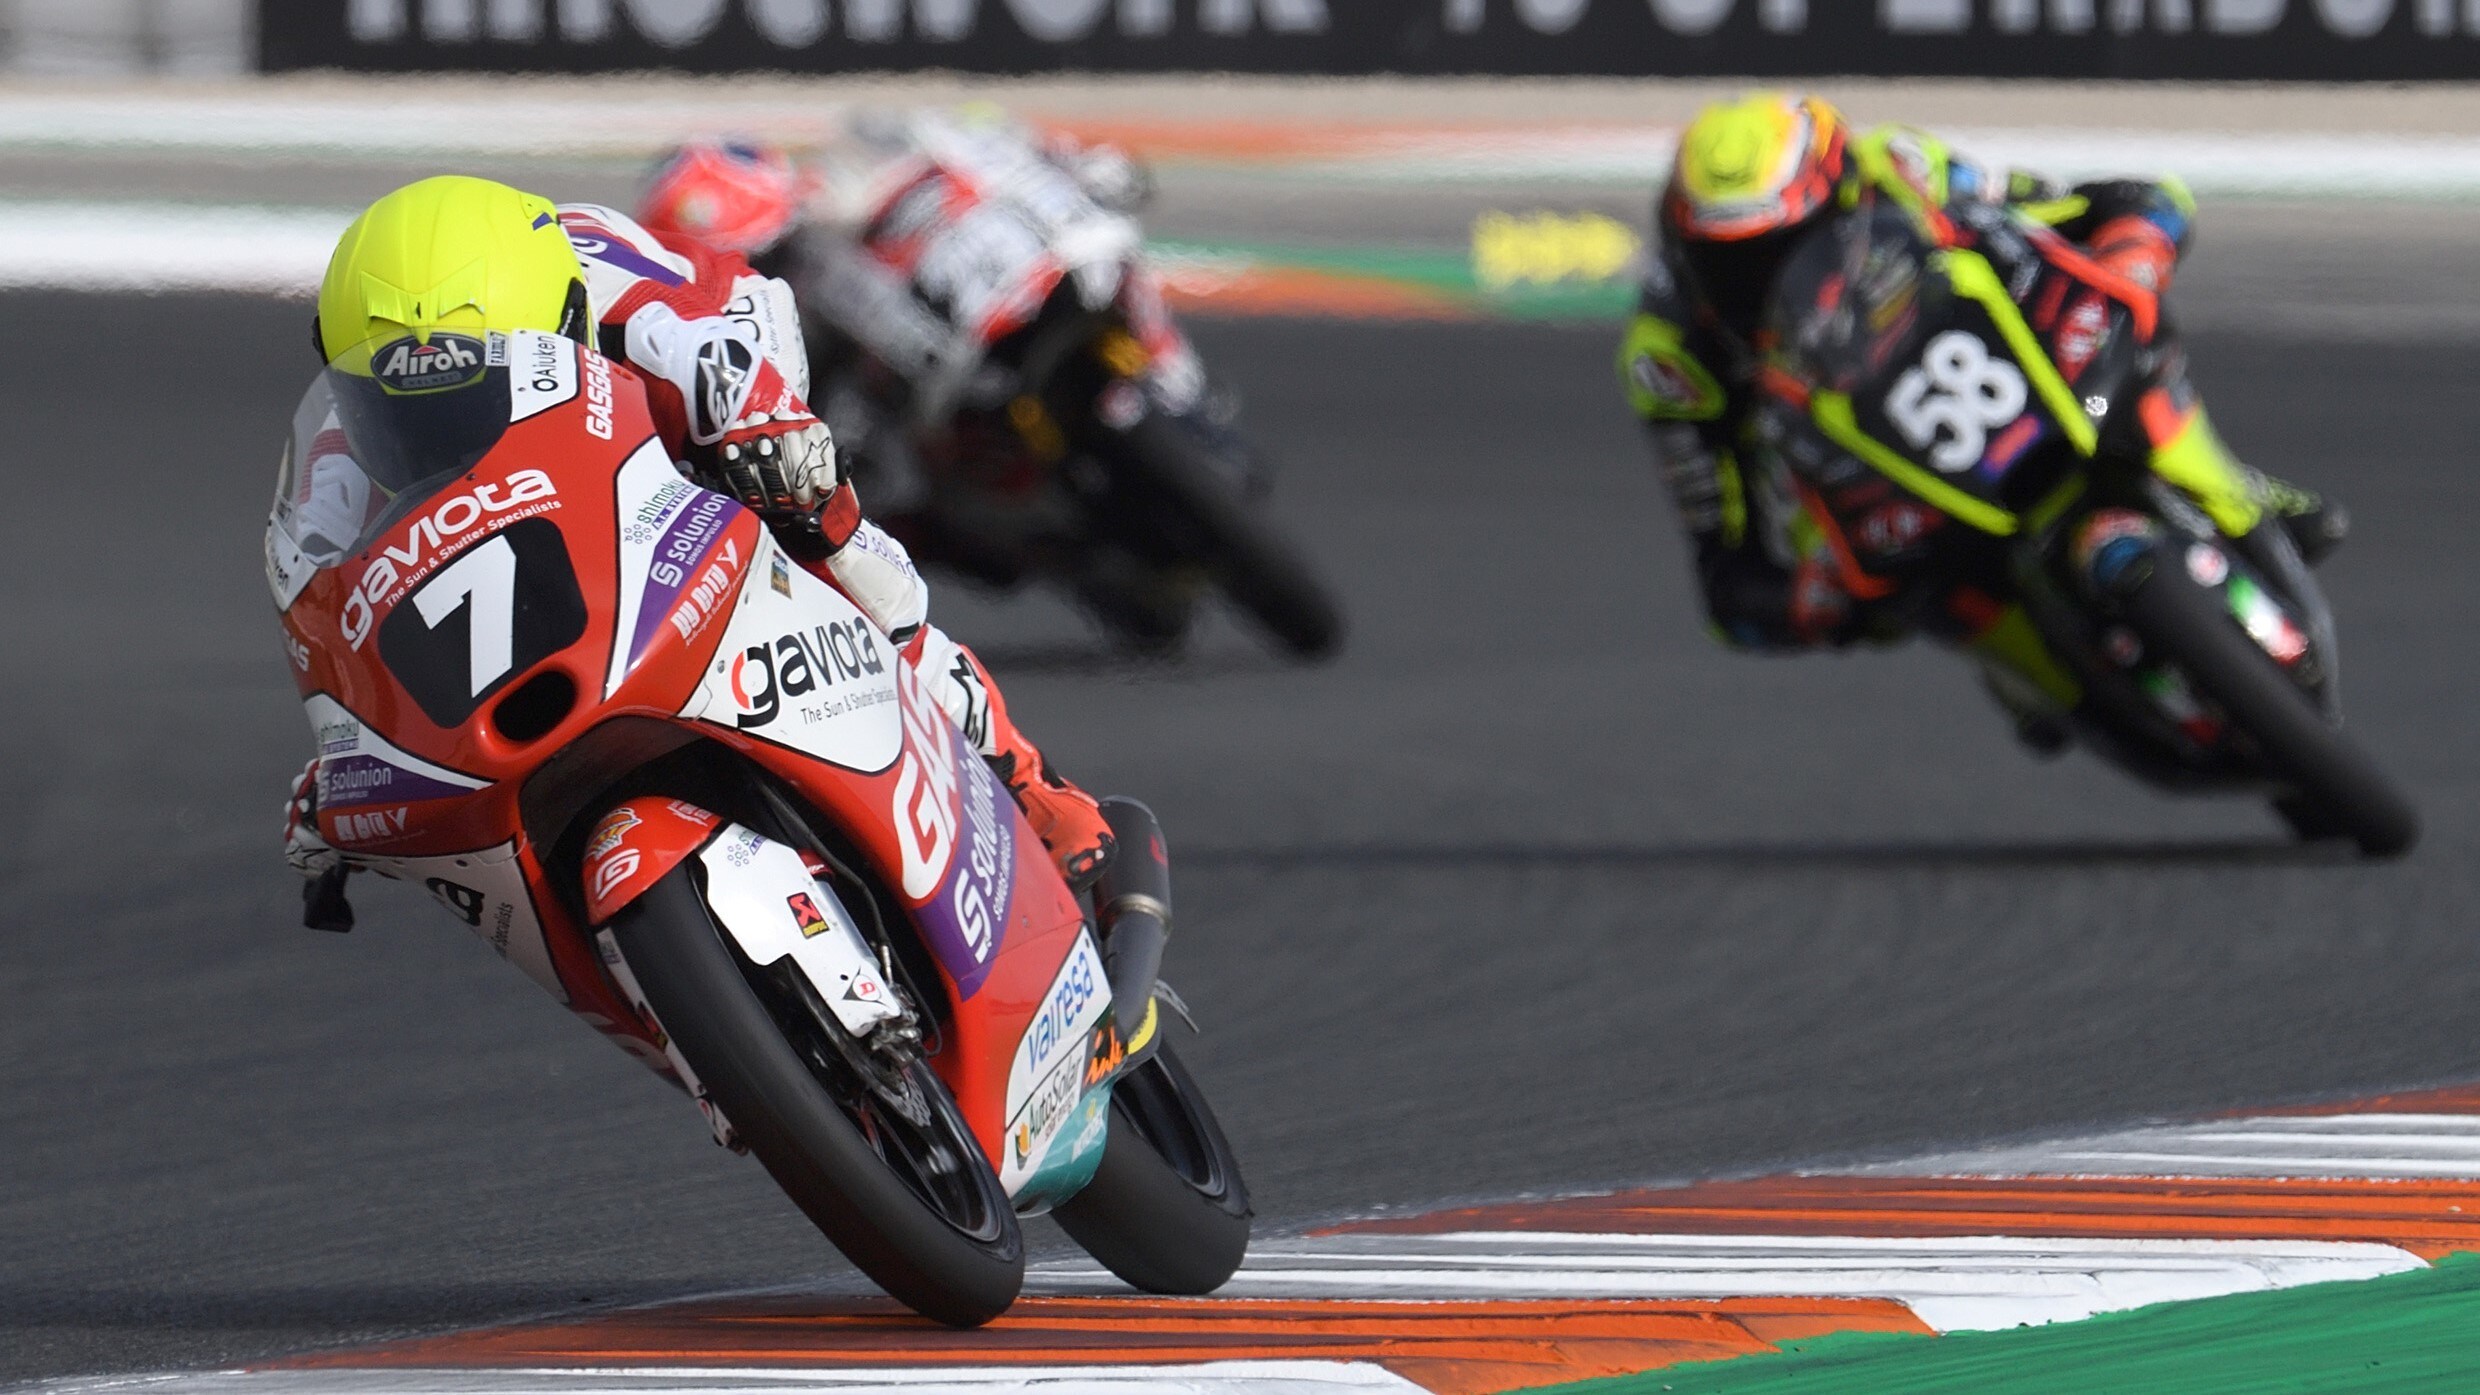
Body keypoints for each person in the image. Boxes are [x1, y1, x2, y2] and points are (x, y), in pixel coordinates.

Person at [281, 175, 1115, 890]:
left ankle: (1026, 778)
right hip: (560, 437)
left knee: (815, 537)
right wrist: (352, 757)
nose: (436, 427)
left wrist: (781, 451)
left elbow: (736, 382)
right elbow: (326, 613)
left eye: (469, 389)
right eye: (393, 404)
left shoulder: (653, 324)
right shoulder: (336, 451)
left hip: (714, 354)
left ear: (563, 321)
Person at [1622, 92, 2347, 664]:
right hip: (1867, 486)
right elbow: (1728, 580)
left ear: (1843, 196)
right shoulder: (1670, 358)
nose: (1765, 278)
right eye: (1731, 261)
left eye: (1785, 246)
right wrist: (1810, 600)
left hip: (2031, 378)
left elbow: (2091, 207)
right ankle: (2042, 674)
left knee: (2129, 352)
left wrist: (2132, 256)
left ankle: (2234, 491)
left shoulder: (1901, 169)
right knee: (1913, 597)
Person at [627, 108, 1175, 520]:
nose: (765, 275)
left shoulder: (843, 191)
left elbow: (968, 141)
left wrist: (1055, 162)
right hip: (933, 427)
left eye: (768, 253)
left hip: (983, 308)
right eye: (752, 260)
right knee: (914, 522)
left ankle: (1170, 369)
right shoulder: (747, 341)